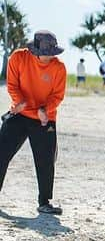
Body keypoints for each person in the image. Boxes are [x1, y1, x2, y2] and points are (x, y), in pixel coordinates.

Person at [0, 30, 67, 215]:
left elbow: (58, 95)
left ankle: (44, 202)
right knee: (1, 153)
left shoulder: (59, 68)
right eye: (45, 54)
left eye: (51, 53)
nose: (48, 57)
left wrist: (46, 110)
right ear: (34, 50)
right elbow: (12, 85)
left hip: (45, 118)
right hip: (20, 114)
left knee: (46, 160)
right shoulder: (18, 58)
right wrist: (19, 101)